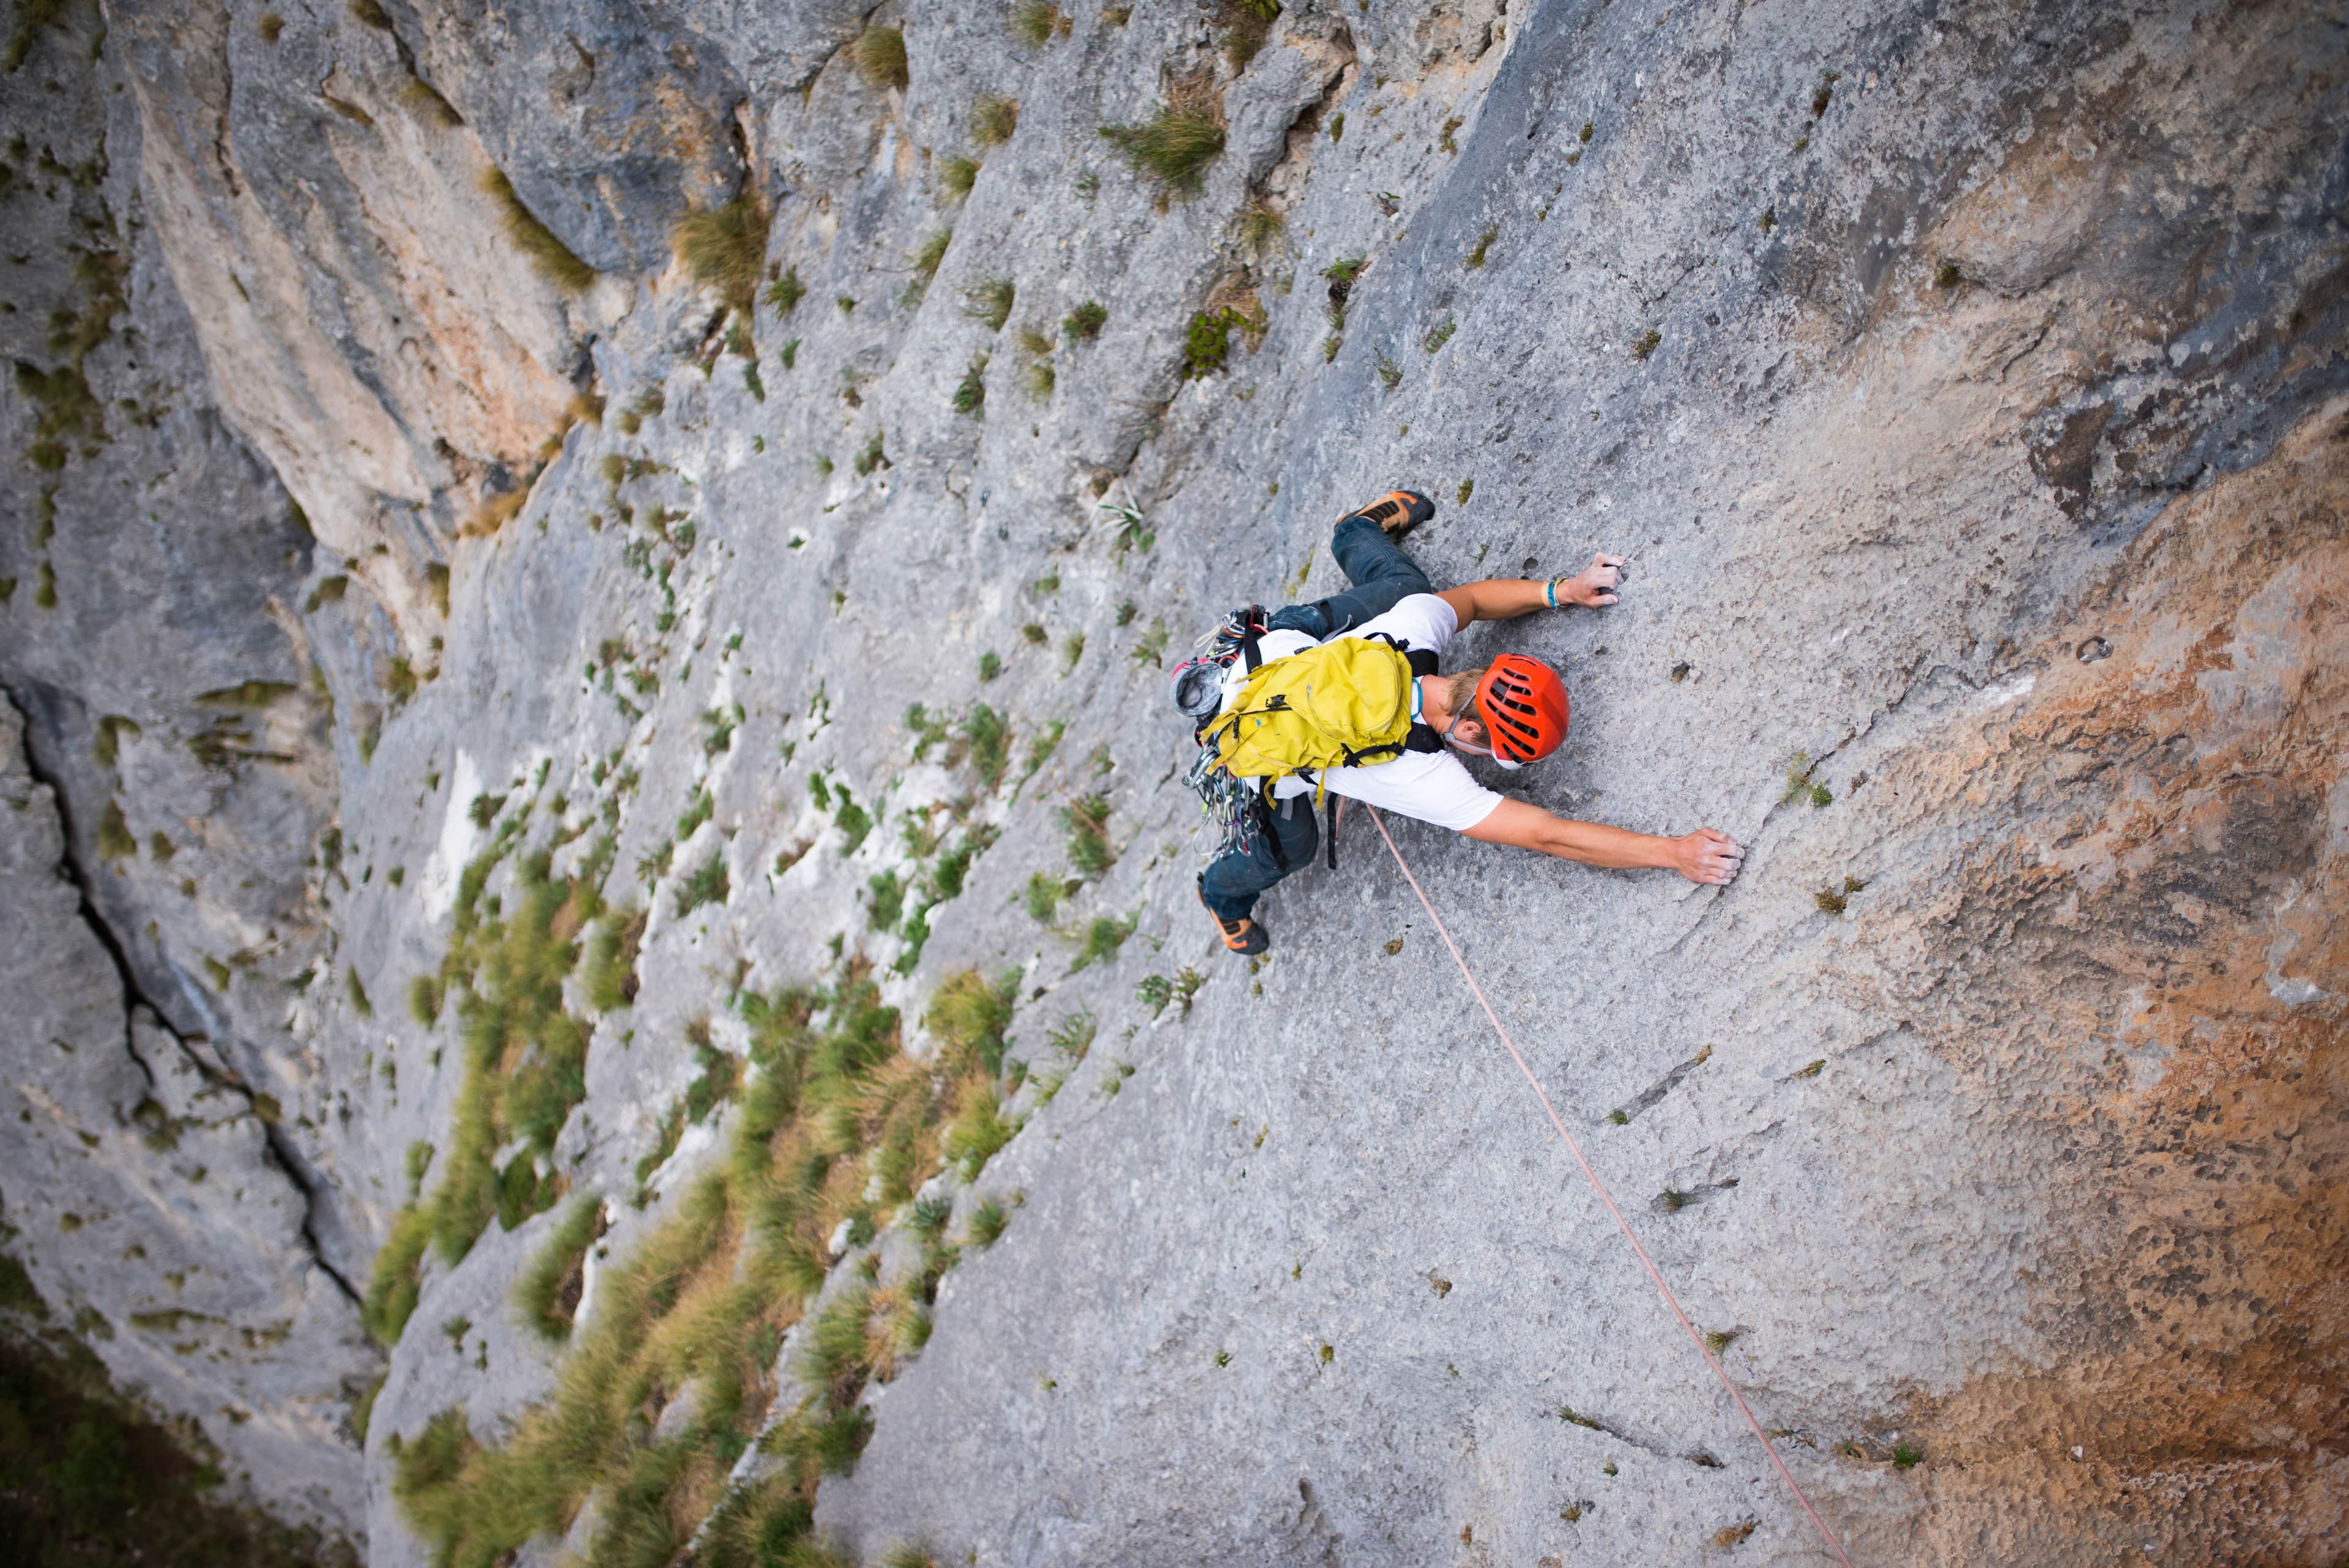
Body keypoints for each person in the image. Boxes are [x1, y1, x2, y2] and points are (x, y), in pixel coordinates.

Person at [1195, 489, 1746, 955]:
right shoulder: (1421, 776)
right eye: (1498, 753)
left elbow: (1477, 600)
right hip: (1242, 747)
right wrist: (1672, 853)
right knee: (1289, 849)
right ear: (1470, 733)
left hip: (1264, 650)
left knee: (1401, 590)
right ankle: (1221, 896)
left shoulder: (1415, 626)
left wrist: (1562, 591)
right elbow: (1550, 835)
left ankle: (1354, 533)